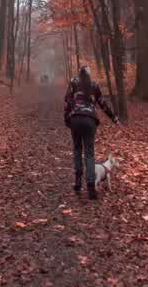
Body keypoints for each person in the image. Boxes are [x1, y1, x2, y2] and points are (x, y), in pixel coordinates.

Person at [64, 65, 117, 200]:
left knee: (77, 149)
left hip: (75, 119)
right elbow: (102, 103)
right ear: (89, 75)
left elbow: (67, 102)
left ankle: (77, 180)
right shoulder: (94, 85)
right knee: (89, 152)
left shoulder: (73, 82)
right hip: (90, 121)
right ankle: (91, 185)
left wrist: (67, 119)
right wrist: (114, 118)